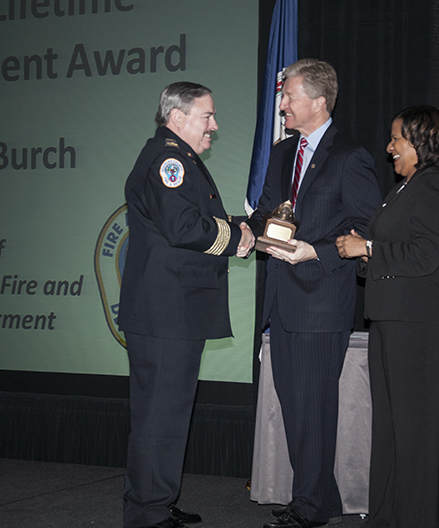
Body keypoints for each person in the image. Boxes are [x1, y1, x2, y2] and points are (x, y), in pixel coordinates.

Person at [247, 58, 381, 528]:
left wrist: (316, 252)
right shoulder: (284, 153)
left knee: (312, 408)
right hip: (281, 302)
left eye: (289, 96)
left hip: (321, 301)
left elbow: (367, 229)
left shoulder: (350, 156)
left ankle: (308, 507)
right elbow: (266, 210)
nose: (281, 103)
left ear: (319, 103)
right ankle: (318, 500)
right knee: (296, 406)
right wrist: (247, 232)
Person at [118, 81, 255, 528]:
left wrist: (245, 226)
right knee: (159, 417)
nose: (214, 125)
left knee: (168, 414)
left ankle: (156, 501)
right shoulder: (169, 160)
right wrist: (237, 238)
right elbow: (183, 228)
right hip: (166, 312)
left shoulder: (176, 157)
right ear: (177, 119)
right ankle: (147, 513)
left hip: (170, 311)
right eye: (207, 116)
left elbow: (190, 222)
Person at [335, 105, 439, 527]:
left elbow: (426, 256)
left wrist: (367, 249)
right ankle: (387, 517)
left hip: (419, 323)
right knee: (389, 429)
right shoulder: (405, 188)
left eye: (396, 139)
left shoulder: (433, 186)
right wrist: (364, 246)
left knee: (414, 433)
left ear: (420, 142)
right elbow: (397, 250)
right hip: (392, 318)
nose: (389, 148)